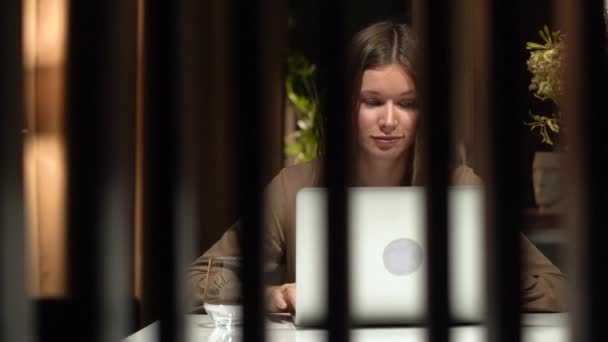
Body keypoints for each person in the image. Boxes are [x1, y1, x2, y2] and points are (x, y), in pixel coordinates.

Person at [188, 21, 566, 314]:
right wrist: (271, 295)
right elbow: (194, 282)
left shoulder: (460, 187)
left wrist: (483, 283)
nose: (389, 121)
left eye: (407, 103)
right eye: (372, 102)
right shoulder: (295, 187)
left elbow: (557, 287)